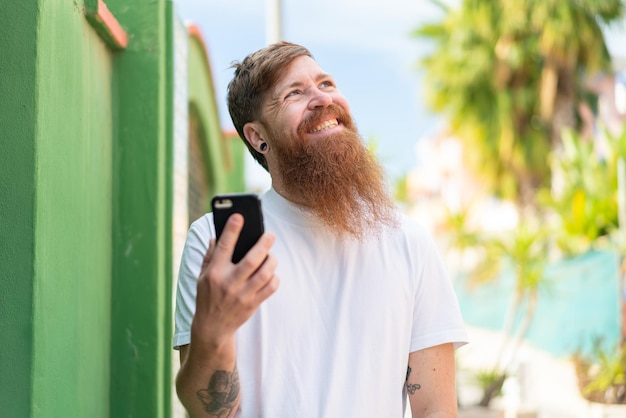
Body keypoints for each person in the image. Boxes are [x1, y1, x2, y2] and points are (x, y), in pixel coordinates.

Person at [173, 41, 468, 418]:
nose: (321, 99)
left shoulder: (409, 243)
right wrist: (213, 332)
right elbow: (208, 412)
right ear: (256, 136)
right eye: (294, 93)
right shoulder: (216, 243)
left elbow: (436, 410)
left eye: (326, 83)